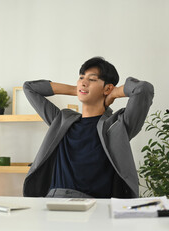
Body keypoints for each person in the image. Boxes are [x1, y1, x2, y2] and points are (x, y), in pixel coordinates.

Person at [22, 56, 154, 198]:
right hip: (54, 201)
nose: (83, 82)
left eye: (92, 79)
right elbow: (29, 88)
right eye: (81, 78)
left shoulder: (117, 126)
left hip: (94, 207)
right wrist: (77, 90)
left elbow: (143, 89)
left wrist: (114, 93)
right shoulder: (61, 121)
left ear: (108, 87)